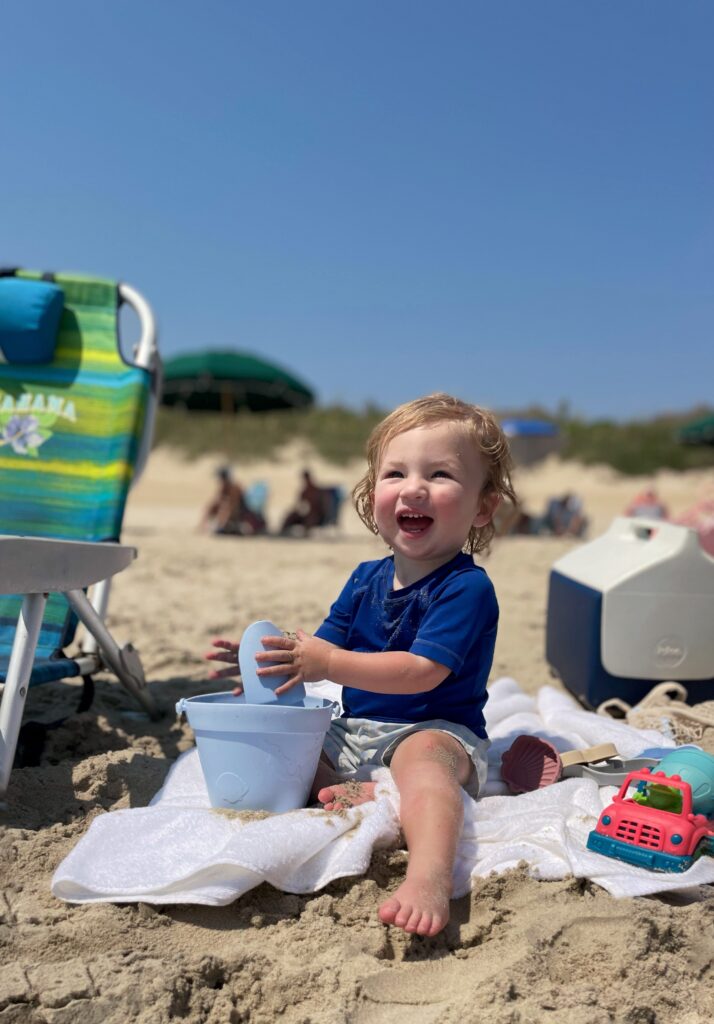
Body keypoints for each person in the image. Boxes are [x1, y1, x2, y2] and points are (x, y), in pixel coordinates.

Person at [205, 393, 516, 937]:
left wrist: (327, 660)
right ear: (374, 494)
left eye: (440, 474)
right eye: (395, 473)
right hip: (355, 732)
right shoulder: (364, 578)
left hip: (435, 729)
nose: (413, 487)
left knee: (426, 770)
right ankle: (363, 792)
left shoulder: (467, 588)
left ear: (483, 507)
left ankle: (428, 874)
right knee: (289, 754)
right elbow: (323, 652)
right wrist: (274, 661)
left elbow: (421, 671)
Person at [198, 465, 266, 536]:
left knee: (224, 507)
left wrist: (223, 517)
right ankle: (203, 527)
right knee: (212, 506)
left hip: (241, 513)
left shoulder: (235, 488)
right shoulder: (224, 487)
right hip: (232, 513)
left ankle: (220, 526)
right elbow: (217, 500)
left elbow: (233, 505)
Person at [279, 469, 327, 535]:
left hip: (317, 516)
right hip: (307, 514)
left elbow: (323, 507)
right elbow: (299, 504)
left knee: (311, 517)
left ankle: (306, 533)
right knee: (291, 515)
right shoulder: (304, 491)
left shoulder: (317, 491)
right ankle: (282, 532)